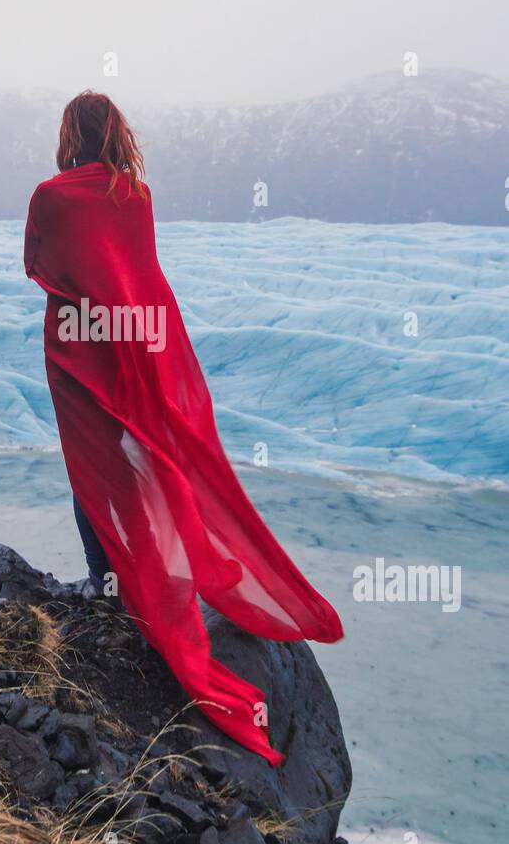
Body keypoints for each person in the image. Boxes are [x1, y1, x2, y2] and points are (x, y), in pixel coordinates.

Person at [24, 90, 343, 764]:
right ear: (116, 132)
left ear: (68, 133)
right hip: (136, 344)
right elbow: (138, 274)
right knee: (142, 461)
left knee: (90, 465)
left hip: (78, 346)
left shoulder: (51, 194)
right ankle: (147, 573)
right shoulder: (135, 194)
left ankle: (104, 579)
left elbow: (38, 266)